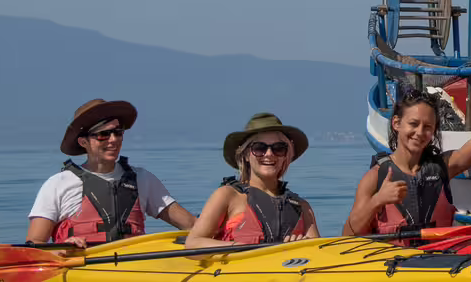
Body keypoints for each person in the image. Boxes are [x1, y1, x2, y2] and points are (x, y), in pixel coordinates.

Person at [344, 64, 471, 237]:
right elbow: (347, 235)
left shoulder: (443, 166)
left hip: (437, 262)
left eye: (428, 127)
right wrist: (377, 200)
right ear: (396, 123)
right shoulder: (374, 178)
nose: (420, 132)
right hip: (392, 268)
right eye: (413, 124)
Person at [27, 98, 196, 245]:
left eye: (118, 132)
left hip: (136, 268)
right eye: (103, 134)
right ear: (83, 142)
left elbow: (192, 225)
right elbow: (35, 243)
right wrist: (65, 247)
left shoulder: (143, 179)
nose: (113, 140)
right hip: (81, 268)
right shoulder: (58, 184)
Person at [183, 112, 320, 247]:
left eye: (278, 148)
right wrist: (235, 246)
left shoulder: (302, 207)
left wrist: (302, 246)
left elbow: (318, 251)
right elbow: (193, 242)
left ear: (286, 155)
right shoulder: (227, 196)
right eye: (259, 148)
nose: (269, 154)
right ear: (246, 155)